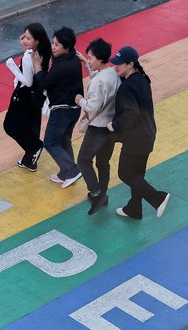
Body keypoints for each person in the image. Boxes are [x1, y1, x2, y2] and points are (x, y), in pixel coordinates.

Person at [107, 46, 170, 219]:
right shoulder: (142, 79)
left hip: (135, 139)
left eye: (119, 64)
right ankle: (134, 209)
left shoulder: (127, 88)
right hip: (148, 134)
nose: (115, 67)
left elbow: (131, 114)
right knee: (137, 174)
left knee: (126, 173)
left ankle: (158, 198)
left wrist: (115, 125)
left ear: (130, 65)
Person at [33, 26, 84, 188]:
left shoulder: (62, 66)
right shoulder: (72, 58)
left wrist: (37, 67)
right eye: (52, 43)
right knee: (63, 140)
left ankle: (72, 170)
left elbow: (43, 83)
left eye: (56, 44)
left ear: (66, 46)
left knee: (50, 142)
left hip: (62, 110)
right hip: (74, 109)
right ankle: (65, 173)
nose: (53, 47)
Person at [75, 38, 121, 215]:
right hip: (111, 126)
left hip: (97, 128)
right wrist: (87, 64)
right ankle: (103, 192)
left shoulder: (97, 82)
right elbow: (100, 79)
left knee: (83, 161)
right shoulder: (113, 73)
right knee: (103, 161)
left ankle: (96, 193)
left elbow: (92, 106)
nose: (89, 60)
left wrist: (80, 100)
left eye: (91, 58)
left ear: (100, 59)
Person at [3, 23, 52, 172]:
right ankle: (30, 159)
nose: (24, 40)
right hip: (35, 96)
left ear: (36, 41)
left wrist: (11, 66)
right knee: (30, 126)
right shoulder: (42, 52)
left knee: (10, 126)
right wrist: (26, 43)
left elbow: (27, 81)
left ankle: (35, 147)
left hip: (23, 96)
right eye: (23, 36)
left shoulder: (28, 57)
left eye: (27, 38)